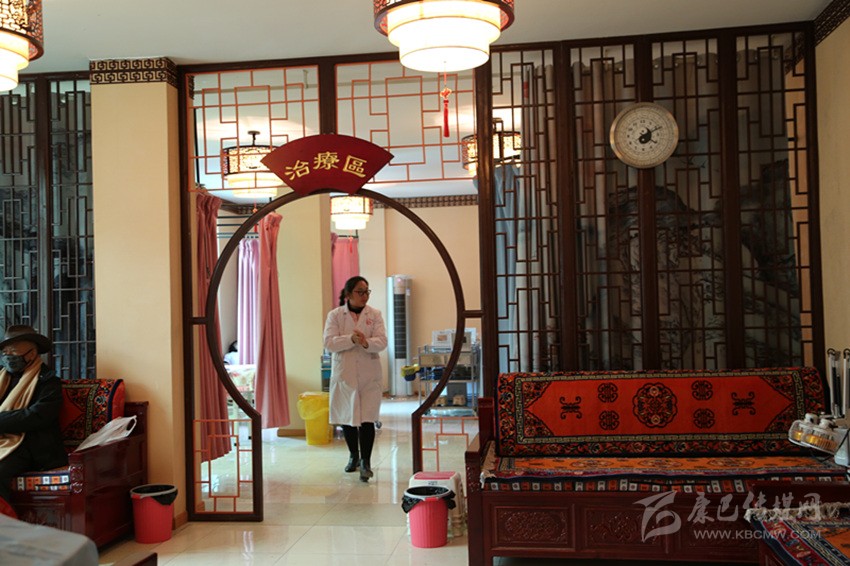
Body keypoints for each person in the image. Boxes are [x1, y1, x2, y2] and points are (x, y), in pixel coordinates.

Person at [323, 276, 387, 482]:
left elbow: (382, 341)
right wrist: (350, 339)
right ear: (349, 294)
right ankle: (353, 456)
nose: (365, 296)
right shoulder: (335, 315)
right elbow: (329, 343)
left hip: (369, 373)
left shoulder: (374, 315)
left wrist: (366, 343)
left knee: (367, 418)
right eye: (360, 292)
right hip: (345, 373)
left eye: (367, 291)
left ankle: (366, 463)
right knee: (347, 417)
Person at [0, 325, 68, 517]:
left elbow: (37, 416)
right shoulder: (1, 377)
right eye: (5, 352)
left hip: (30, 446)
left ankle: (5, 528)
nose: (8, 356)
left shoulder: (48, 381)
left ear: (31, 353)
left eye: (13, 351)